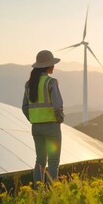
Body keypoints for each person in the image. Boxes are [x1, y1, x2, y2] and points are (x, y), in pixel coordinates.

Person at [22, 50, 64, 188]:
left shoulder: (29, 84)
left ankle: (37, 192)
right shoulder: (50, 82)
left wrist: (34, 119)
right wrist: (59, 119)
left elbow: (24, 107)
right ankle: (52, 193)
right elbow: (57, 106)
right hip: (51, 126)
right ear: (49, 66)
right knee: (53, 161)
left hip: (36, 127)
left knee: (40, 161)